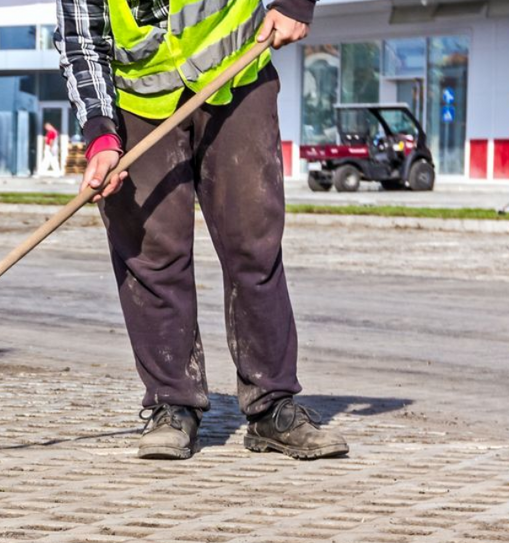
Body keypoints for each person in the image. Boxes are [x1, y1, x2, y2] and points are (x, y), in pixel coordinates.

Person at [56, 0, 348, 462]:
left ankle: (272, 405)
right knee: (150, 251)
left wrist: (295, 4)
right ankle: (172, 404)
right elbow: (82, 43)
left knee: (252, 243)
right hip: (138, 101)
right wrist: (101, 134)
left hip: (236, 72)